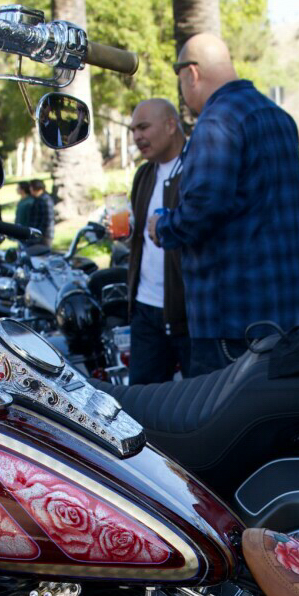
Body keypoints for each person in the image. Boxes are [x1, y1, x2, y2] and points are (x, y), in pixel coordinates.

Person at [150, 32, 299, 375]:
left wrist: (161, 226)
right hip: (291, 315)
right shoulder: (279, 117)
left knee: (225, 427)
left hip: (234, 325)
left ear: (191, 73)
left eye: (179, 78)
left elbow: (201, 212)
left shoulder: (217, 122)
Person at [124, 98, 188, 384]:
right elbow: (139, 236)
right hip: (146, 309)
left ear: (171, 125)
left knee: (200, 403)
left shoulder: (196, 169)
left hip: (188, 310)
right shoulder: (145, 174)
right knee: (143, 403)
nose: (137, 136)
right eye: (133, 130)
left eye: (144, 127)